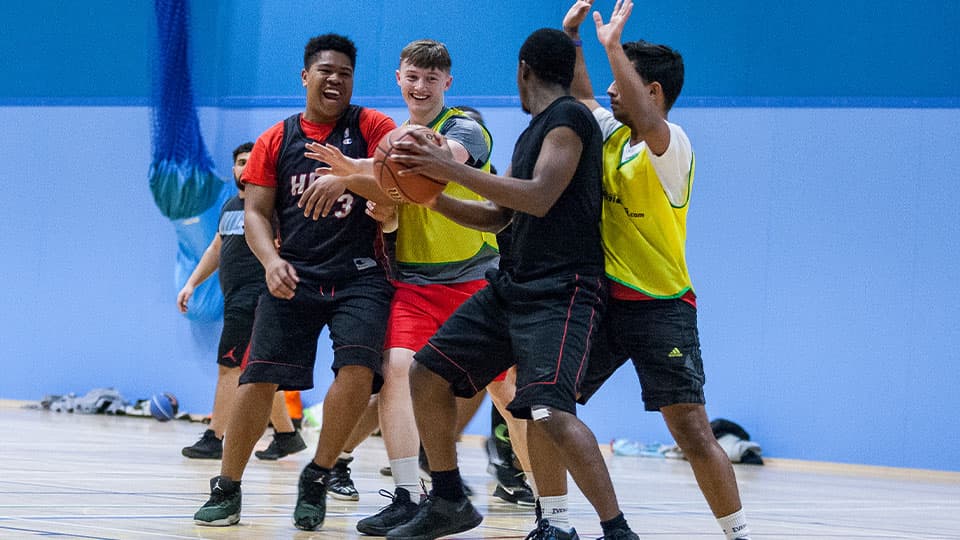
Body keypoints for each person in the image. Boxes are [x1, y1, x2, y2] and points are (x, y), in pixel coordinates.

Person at [382, 27, 638, 540]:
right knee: (426, 373)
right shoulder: (534, 130)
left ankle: (615, 530)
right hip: (514, 284)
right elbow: (501, 215)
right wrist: (431, 199)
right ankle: (450, 499)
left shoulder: (568, 119)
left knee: (546, 409)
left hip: (561, 291)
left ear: (523, 70)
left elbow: (538, 196)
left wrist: (439, 166)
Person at [303, 40, 535, 536]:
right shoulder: (388, 138)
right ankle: (409, 494)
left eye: (431, 79)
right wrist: (382, 208)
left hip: (476, 277)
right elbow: (390, 216)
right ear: (398, 78)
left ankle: (545, 503)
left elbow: (434, 163)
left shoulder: (465, 128)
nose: (421, 87)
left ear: (446, 83)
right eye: (412, 77)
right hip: (413, 282)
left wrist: (351, 173)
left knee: (509, 391)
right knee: (396, 371)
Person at [192, 33, 398, 531]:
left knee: (356, 372)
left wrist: (348, 176)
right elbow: (256, 213)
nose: (335, 80)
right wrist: (269, 261)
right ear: (305, 77)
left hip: (361, 276)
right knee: (255, 377)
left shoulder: (373, 126)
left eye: (345, 74)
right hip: (295, 274)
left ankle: (320, 473)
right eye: (326, 71)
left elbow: (397, 184)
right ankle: (228, 486)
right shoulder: (276, 140)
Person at [564, 1, 752, 539]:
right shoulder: (610, 133)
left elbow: (647, 120)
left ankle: (737, 533)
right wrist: (575, 37)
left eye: (622, 80)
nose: (609, 90)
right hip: (602, 303)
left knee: (690, 429)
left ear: (654, 93)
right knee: (546, 400)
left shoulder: (673, 146)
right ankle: (566, 520)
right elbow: (581, 95)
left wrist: (612, 46)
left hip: (661, 307)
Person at [176, 142, 306, 461]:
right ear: (233, 169)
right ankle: (287, 435)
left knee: (229, 366)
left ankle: (214, 436)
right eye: (240, 162)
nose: (245, 167)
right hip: (235, 297)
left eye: (252, 161)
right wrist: (191, 283)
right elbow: (216, 249)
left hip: (258, 297)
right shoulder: (231, 206)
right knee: (257, 370)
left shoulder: (272, 207)